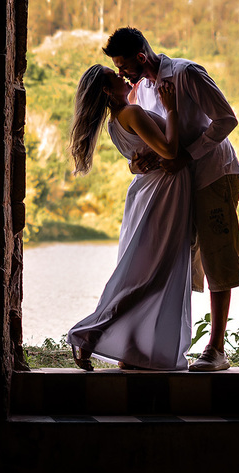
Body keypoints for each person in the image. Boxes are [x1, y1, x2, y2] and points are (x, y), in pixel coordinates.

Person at [104, 26, 239, 372]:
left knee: (217, 257)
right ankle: (161, 345)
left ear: (141, 57)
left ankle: (215, 350)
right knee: (177, 263)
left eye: (124, 67)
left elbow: (227, 119)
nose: (122, 75)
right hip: (176, 187)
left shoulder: (186, 74)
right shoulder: (143, 91)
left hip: (212, 175)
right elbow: (149, 139)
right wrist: (135, 163)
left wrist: (188, 155)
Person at [66, 65, 194, 371]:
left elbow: (138, 159)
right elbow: (170, 150)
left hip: (149, 191)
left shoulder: (114, 123)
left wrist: (136, 166)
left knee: (145, 273)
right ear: (108, 91)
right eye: (116, 77)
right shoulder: (132, 114)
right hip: (164, 191)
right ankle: (89, 333)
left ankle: (133, 349)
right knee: (154, 274)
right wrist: (171, 108)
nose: (124, 78)